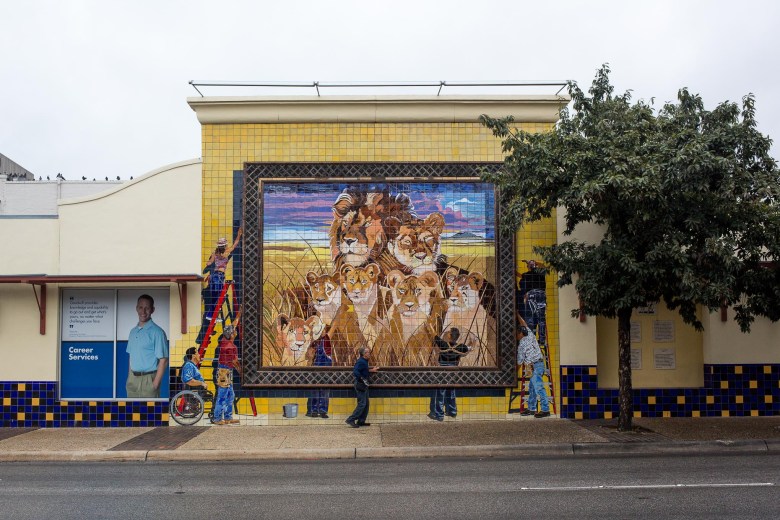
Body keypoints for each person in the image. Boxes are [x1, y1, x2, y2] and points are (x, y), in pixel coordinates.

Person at [196, 228, 243, 346]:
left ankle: (210, 315)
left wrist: (208, 265)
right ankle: (212, 316)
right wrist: (239, 235)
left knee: (213, 299)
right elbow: (235, 245)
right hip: (220, 277)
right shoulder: (226, 253)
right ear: (225, 245)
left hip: (213, 277)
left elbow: (208, 264)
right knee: (218, 298)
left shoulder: (214, 254)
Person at [126, 294, 169, 398]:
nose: (143, 312)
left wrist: (155, 384)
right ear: (136, 308)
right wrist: (129, 377)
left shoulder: (157, 332)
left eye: (147, 308)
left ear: (152, 310)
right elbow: (131, 356)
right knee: (132, 413)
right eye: (140, 307)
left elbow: (164, 360)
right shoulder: (133, 332)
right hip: (132, 380)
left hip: (149, 380)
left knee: (149, 414)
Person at [428, 328, 470, 421]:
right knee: (451, 391)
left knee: (440, 392)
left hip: (442, 372)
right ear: (458, 336)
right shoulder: (461, 347)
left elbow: (435, 337)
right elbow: (468, 348)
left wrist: (430, 326)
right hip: (453, 372)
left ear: (449, 335)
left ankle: (439, 415)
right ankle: (452, 412)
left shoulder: (443, 345)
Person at [517, 318, 550, 418]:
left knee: (539, 388)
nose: (516, 336)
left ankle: (545, 410)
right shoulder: (530, 334)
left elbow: (519, 362)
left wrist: (513, 373)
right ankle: (531, 408)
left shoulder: (521, 345)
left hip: (534, 366)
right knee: (532, 388)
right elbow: (524, 323)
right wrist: (518, 314)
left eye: (517, 334)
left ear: (520, 334)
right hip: (538, 364)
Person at [212, 322, 242, 425]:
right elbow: (235, 362)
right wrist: (241, 372)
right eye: (235, 331)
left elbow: (231, 326)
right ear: (232, 334)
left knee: (230, 395)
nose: (236, 332)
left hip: (225, 371)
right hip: (225, 372)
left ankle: (228, 417)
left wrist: (239, 314)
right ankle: (217, 418)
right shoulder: (231, 346)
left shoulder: (223, 341)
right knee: (222, 396)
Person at [345, 346, 378, 428]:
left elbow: (364, 370)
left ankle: (361, 421)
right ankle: (351, 419)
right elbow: (355, 371)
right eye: (367, 352)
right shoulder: (361, 361)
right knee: (362, 404)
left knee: (366, 404)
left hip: (364, 384)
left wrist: (371, 370)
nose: (369, 353)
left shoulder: (364, 361)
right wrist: (361, 378)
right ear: (363, 354)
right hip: (360, 384)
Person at [516, 260, 548, 346]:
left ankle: (531, 339)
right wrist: (535, 262)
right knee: (541, 319)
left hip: (531, 295)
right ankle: (541, 339)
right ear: (536, 266)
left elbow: (522, 284)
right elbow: (544, 266)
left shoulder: (526, 275)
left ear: (528, 267)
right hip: (541, 295)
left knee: (530, 318)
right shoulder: (541, 273)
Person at [306, 334, 333, 418]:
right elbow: (308, 358)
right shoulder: (314, 343)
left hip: (325, 371)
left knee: (324, 392)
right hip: (315, 371)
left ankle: (322, 411)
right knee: (315, 391)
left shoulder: (327, 342)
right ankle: (314, 410)